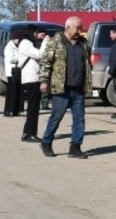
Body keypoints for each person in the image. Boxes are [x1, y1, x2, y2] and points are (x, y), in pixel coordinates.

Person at [39, 16, 91, 158]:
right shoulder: (56, 41)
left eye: (80, 28)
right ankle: (46, 142)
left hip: (78, 87)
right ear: (68, 27)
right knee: (57, 116)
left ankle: (75, 147)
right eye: (77, 28)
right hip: (61, 87)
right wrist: (44, 81)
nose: (79, 31)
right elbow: (46, 62)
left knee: (79, 119)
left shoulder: (84, 43)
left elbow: (87, 62)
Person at [16, 28, 47, 143]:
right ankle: (29, 133)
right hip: (31, 78)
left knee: (34, 107)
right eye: (36, 33)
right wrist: (45, 43)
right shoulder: (26, 44)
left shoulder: (28, 43)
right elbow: (40, 54)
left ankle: (30, 132)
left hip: (33, 77)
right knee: (33, 107)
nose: (39, 35)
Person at [3, 27, 24, 118]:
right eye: (16, 39)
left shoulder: (18, 47)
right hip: (11, 72)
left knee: (18, 91)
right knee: (11, 92)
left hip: (18, 71)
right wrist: (20, 58)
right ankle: (8, 110)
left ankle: (16, 110)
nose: (18, 40)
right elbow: (11, 59)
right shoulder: (9, 47)